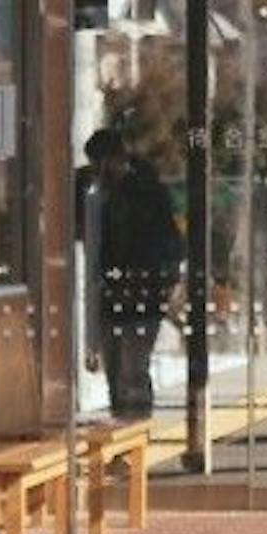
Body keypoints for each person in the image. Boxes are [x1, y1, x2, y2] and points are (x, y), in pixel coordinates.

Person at [82, 126, 180, 419]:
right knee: (117, 369)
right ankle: (125, 438)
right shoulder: (97, 193)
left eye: (103, 162)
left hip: (141, 292)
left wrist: (167, 281)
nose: (99, 170)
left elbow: (169, 242)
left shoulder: (144, 192)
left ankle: (134, 434)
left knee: (132, 368)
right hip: (116, 293)